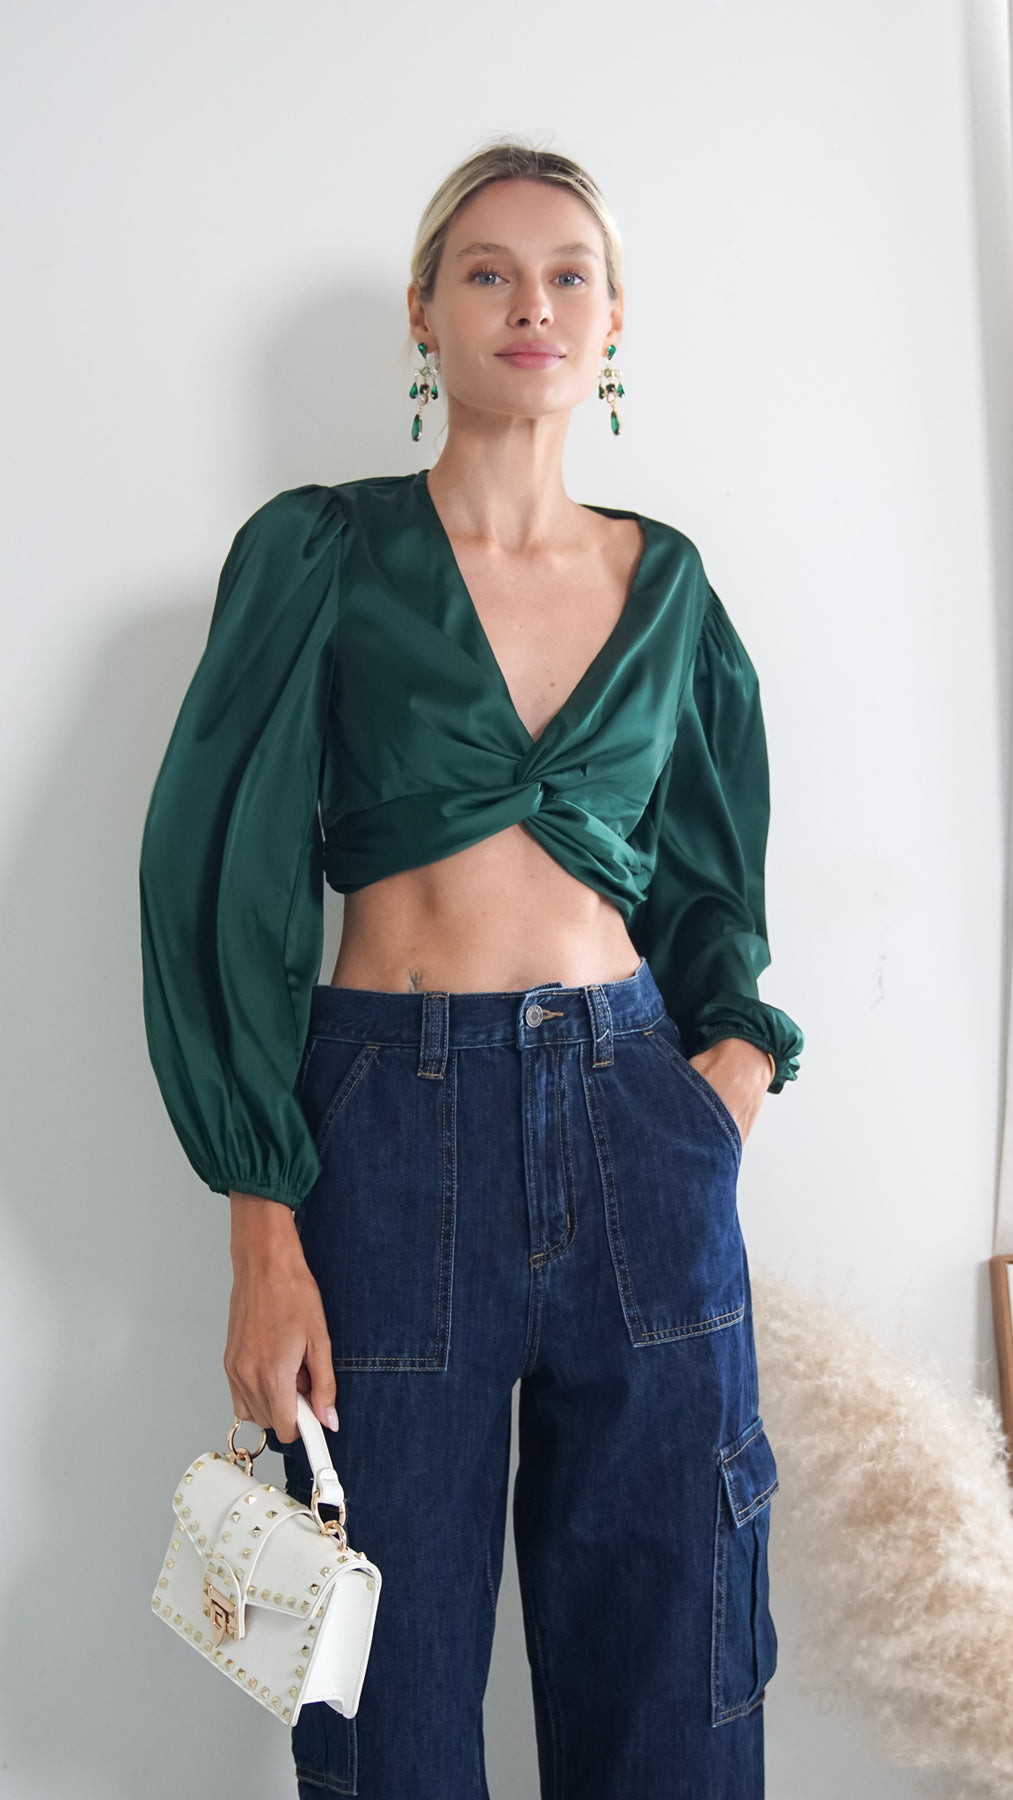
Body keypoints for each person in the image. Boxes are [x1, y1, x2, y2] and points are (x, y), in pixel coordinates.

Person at [139, 139, 804, 1800]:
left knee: (673, 1647)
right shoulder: (318, 553)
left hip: (636, 1117)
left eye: (569, 274)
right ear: (423, 314)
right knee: (389, 1692)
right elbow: (220, 883)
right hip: (388, 1130)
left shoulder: (667, 585)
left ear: (613, 322)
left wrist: (724, 1075)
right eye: (488, 271)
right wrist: (261, 1230)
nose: (531, 303)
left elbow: (717, 877)